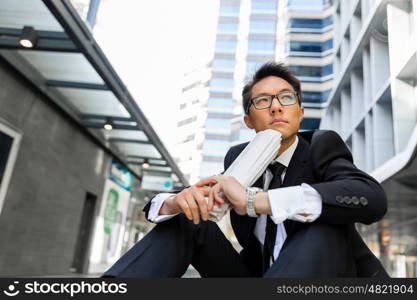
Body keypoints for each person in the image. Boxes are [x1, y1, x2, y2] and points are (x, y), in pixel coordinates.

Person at [103, 62, 388, 278]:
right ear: (248, 120)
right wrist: (176, 202)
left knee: (318, 218)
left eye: (286, 98)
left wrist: (255, 202)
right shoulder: (238, 157)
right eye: (263, 101)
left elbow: (371, 197)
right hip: (257, 276)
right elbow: (199, 201)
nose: (276, 107)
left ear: (300, 112)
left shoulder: (320, 145)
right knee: (188, 219)